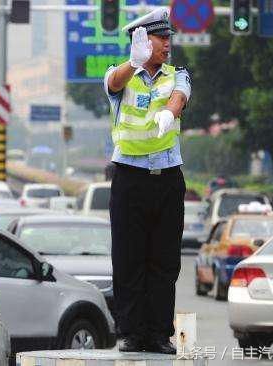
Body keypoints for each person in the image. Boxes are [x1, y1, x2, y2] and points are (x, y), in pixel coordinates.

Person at [103, 8, 191, 354]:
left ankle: (158, 333)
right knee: (129, 258)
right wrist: (133, 63)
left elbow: (180, 94)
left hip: (167, 178)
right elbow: (113, 83)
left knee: (165, 260)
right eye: (160, 38)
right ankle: (132, 332)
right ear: (142, 41)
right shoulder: (121, 76)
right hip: (129, 179)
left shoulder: (177, 74)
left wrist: (171, 111)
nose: (167, 44)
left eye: (169, 38)